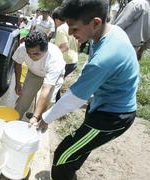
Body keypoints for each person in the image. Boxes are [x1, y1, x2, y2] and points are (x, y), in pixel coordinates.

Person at [29, 0, 140, 180]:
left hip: (112, 116)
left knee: (63, 158)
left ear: (95, 22)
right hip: (103, 104)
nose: (71, 35)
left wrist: (45, 118)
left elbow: (75, 99)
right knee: (78, 150)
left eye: (74, 29)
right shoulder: (111, 33)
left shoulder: (105, 57)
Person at [13, 31, 65, 120]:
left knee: (46, 105)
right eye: (28, 53)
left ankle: (38, 122)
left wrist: (35, 116)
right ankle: (13, 122)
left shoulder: (55, 59)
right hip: (34, 73)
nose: (31, 57)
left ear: (46, 49)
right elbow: (18, 63)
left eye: (36, 54)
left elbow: (46, 89)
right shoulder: (22, 48)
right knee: (24, 98)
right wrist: (17, 83)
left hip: (53, 78)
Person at [52, 7, 79, 101]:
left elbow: (65, 46)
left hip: (66, 61)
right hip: (74, 60)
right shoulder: (71, 26)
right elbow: (78, 43)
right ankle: (55, 106)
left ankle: (52, 109)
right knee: (57, 84)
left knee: (54, 85)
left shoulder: (60, 29)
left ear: (56, 19)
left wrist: (52, 55)